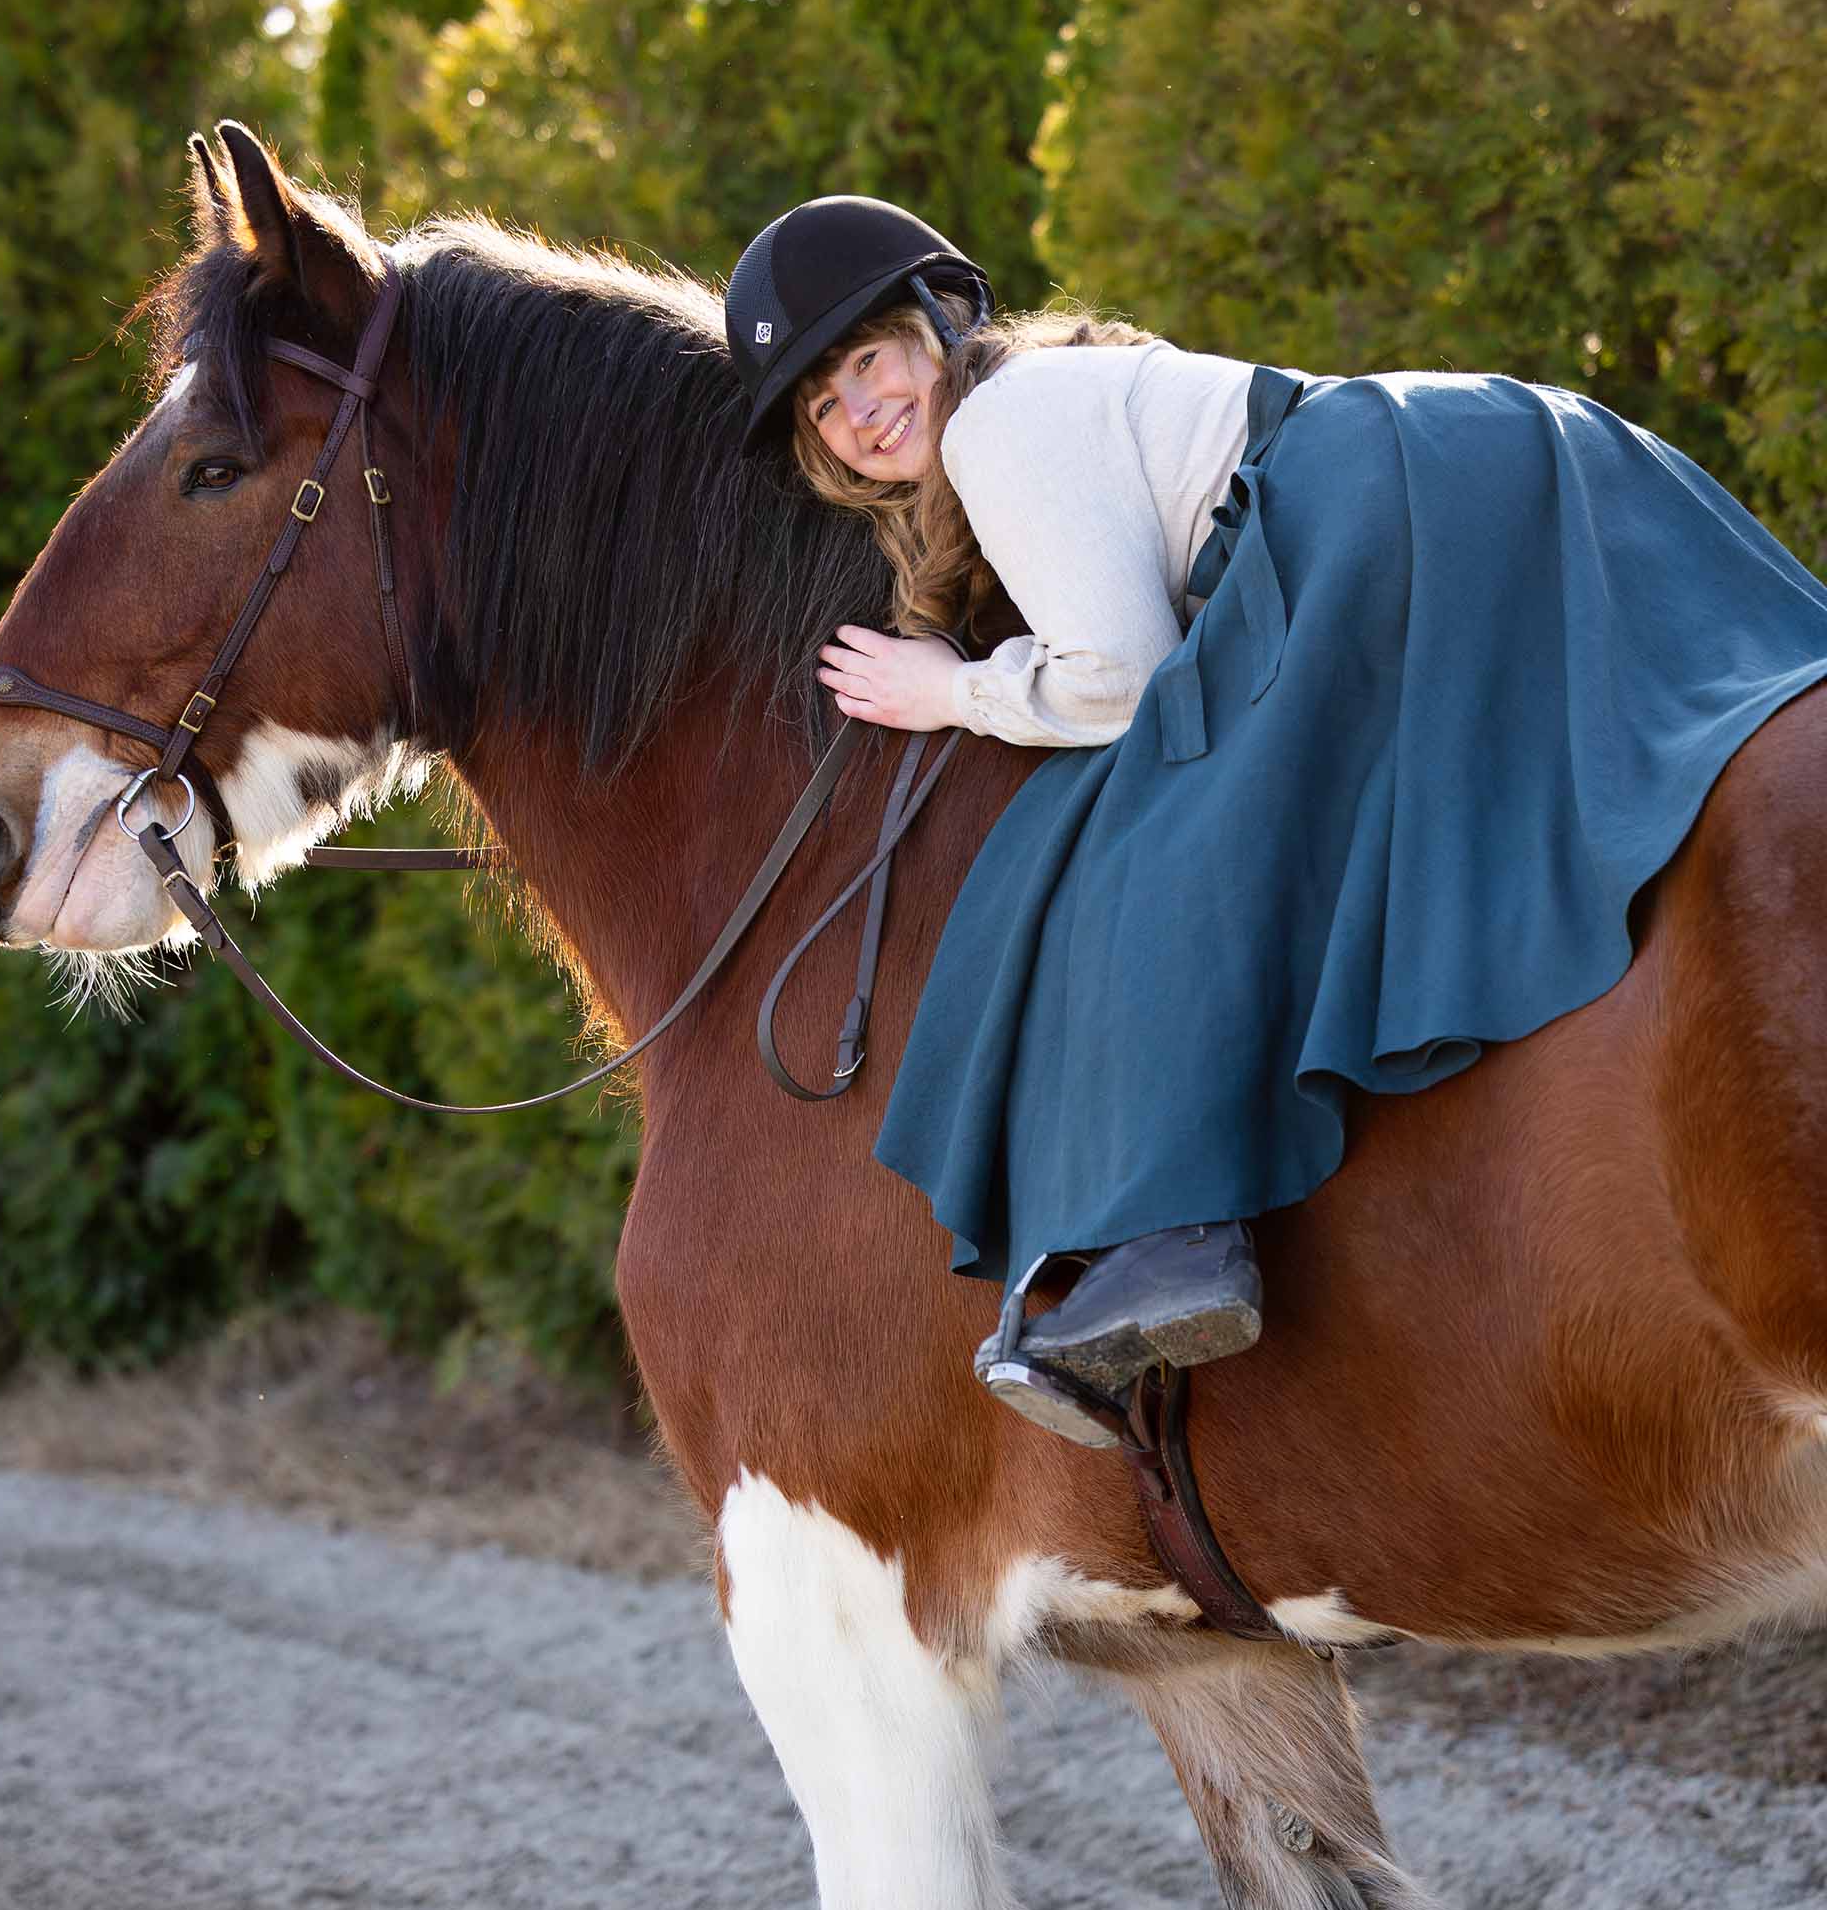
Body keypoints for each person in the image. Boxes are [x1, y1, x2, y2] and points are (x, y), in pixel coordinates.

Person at [723, 194, 1827, 1449]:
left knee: (1125, 826)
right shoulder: (1025, 414)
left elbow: (1122, 679)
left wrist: (952, 693)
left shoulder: (1000, 420)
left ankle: (1168, 1232)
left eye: (864, 360)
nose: (857, 411)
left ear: (937, 326)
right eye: (822, 406)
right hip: (1439, 459)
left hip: (1362, 496)